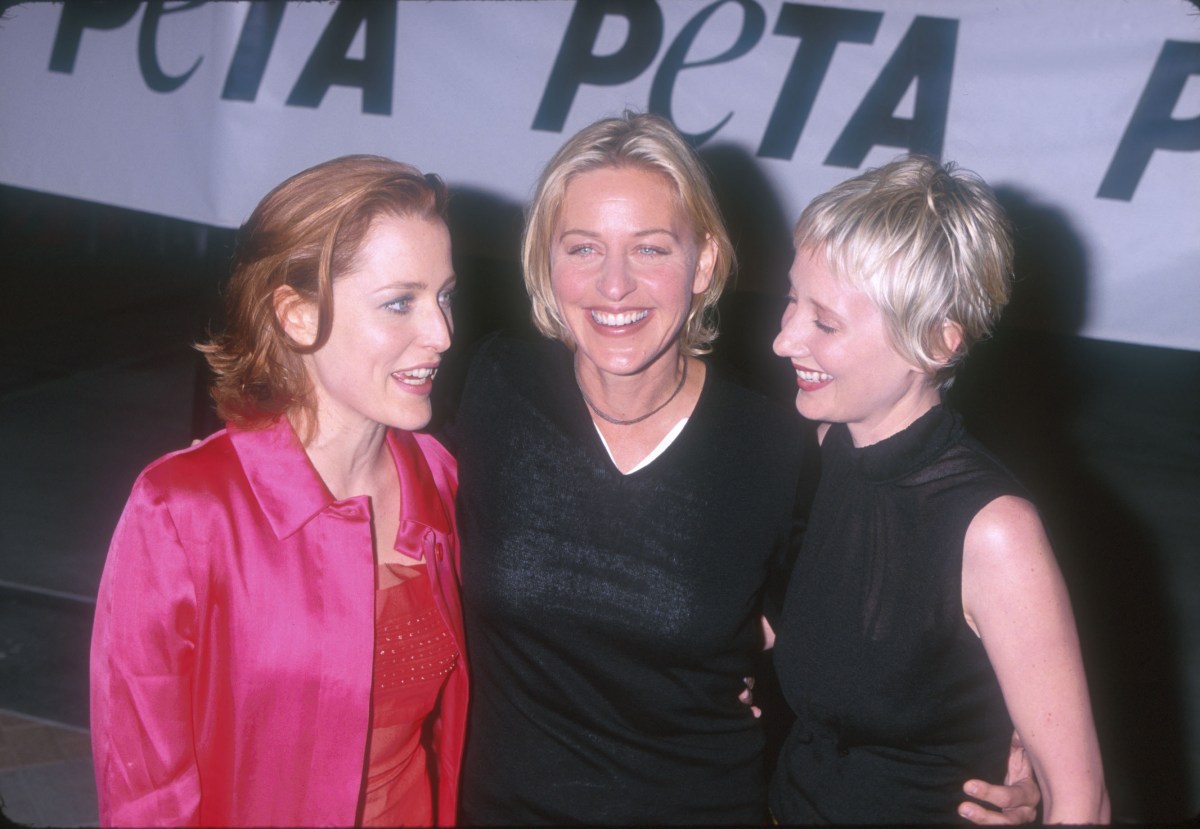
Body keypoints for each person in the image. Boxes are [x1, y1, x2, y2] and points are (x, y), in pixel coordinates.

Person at [450, 112, 1038, 824]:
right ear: (545, 260)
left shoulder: (780, 445)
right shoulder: (491, 387)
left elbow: (876, 643)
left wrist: (999, 748)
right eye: (582, 248)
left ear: (703, 262)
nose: (613, 285)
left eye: (651, 249)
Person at [89, 156, 467, 827]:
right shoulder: (183, 510)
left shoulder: (437, 476)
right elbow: (145, 788)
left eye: (444, 296)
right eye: (399, 302)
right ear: (296, 315)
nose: (441, 333)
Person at [768, 155, 1109, 824]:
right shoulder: (821, 450)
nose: (784, 339)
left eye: (824, 322)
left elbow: (1083, 805)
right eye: (791, 299)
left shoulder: (993, 532)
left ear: (935, 342)